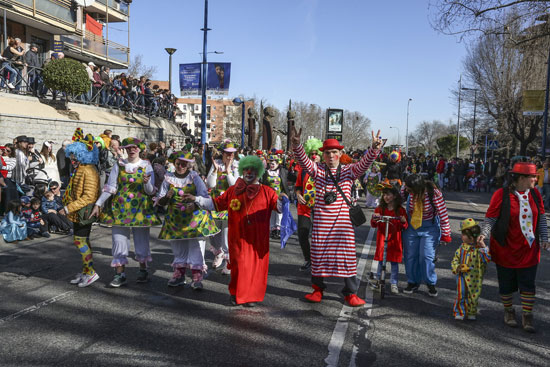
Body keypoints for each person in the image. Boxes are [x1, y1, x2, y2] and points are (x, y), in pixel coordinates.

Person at [291, 127, 383, 307]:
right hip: (321, 225)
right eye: (327, 152)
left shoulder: (349, 171)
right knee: (318, 257)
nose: (331, 155)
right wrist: (296, 145)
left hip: (343, 226)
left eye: (334, 152)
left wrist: (374, 149)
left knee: (347, 258)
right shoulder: (317, 170)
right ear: (323, 155)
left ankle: (350, 293)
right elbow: (303, 161)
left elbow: (364, 164)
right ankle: (318, 290)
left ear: (341, 153)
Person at [187, 156, 283, 306]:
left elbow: (279, 208)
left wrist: (283, 200)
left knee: (255, 269)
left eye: (253, 170)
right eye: (245, 169)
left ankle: (251, 296)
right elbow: (215, 203)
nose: (249, 172)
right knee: (239, 266)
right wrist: (197, 200)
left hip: (258, 240)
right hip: (237, 238)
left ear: (259, 172)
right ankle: (236, 293)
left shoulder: (267, 192)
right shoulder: (233, 190)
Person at [478, 162, 550, 333]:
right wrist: (483, 234)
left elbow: (541, 218)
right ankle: (509, 311)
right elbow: (491, 217)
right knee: (506, 283)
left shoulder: (536, 195)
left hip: (528, 248)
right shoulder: (501, 194)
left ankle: (527, 314)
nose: (535, 179)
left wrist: (545, 238)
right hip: (505, 247)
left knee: (527, 283)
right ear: (521, 178)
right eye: (533, 176)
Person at [91, 137, 161, 287]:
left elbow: (150, 191)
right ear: (125, 149)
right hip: (120, 209)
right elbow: (111, 187)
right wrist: (98, 203)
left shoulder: (146, 165)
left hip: (140, 209)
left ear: (140, 149)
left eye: (134, 147)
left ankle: (143, 271)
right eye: (128, 147)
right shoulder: (119, 164)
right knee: (118, 241)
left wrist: (146, 182)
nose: (132, 149)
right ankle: (119, 274)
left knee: (141, 241)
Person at [157, 152, 220, 289]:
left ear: (189, 165)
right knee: (178, 248)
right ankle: (179, 275)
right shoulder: (168, 178)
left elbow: (204, 197)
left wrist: (195, 203)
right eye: (178, 163)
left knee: (196, 247)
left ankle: (197, 277)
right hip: (176, 219)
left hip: (194, 218)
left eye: (184, 164)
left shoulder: (195, 178)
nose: (180, 166)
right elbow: (160, 202)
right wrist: (167, 197)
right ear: (174, 163)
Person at [62, 129, 101, 287]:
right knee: (83, 241)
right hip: (79, 212)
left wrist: (67, 208)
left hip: (85, 212)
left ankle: (90, 272)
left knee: (79, 241)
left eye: (74, 154)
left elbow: (89, 197)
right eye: (71, 154)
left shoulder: (89, 170)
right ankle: (86, 271)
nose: (72, 157)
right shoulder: (82, 168)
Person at [401, 174, 451, 296]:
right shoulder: (406, 190)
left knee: (426, 256)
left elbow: (443, 214)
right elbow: (397, 199)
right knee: (410, 256)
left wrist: (446, 233)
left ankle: (430, 282)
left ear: (417, 187)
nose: (407, 190)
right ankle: (412, 282)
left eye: (409, 189)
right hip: (411, 227)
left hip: (429, 228)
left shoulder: (433, 193)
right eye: (406, 188)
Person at [205, 141, 240, 272]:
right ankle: (218, 253)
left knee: (227, 233)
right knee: (213, 232)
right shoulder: (217, 164)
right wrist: (214, 171)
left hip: (230, 205)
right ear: (223, 153)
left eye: (232, 153)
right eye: (227, 153)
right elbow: (210, 184)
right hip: (215, 203)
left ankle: (228, 261)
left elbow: (235, 186)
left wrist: (229, 171)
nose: (230, 156)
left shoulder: (237, 166)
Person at [370, 183, 407, 294]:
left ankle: (394, 282)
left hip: (395, 239)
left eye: (388, 194)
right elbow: (373, 224)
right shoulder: (380, 209)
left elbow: (405, 226)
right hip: (383, 237)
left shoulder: (400, 210)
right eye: (384, 194)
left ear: (395, 196)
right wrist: (375, 218)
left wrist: (403, 221)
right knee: (381, 260)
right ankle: (378, 280)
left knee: (394, 262)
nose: (386, 197)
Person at [452, 218, 491, 321]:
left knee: (473, 296)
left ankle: (471, 311)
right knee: (461, 294)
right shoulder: (462, 248)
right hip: (462, 276)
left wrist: (484, 247)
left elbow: (487, 259)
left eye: (464, 234)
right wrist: (457, 267)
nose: (461, 236)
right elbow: (455, 259)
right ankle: (460, 311)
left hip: (476, 277)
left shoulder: (479, 249)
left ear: (471, 236)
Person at [294, 138, 322, 272]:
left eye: (317, 153)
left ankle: (319, 261)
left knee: (319, 236)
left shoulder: (325, 170)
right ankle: (308, 259)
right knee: (302, 234)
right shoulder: (303, 169)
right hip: (304, 207)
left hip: (320, 208)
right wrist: (298, 194)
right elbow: (298, 185)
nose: (314, 156)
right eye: (312, 153)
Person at [261, 154, 290, 239]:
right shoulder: (266, 172)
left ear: (277, 164)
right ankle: (272, 229)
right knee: (272, 213)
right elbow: (262, 183)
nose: (271, 165)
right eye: (270, 163)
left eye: (273, 164)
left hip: (279, 195)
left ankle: (278, 229)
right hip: (269, 196)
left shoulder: (281, 172)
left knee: (279, 213)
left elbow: (285, 182)